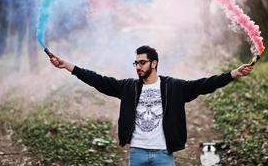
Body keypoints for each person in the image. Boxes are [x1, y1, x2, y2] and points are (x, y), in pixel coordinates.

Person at [49, 45, 253, 166]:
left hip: (164, 154)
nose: (138, 66)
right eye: (136, 63)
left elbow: (205, 85)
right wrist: (68, 65)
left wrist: (233, 73)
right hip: (137, 153)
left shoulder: (173, 87)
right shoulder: (128, 87)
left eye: (142, 62)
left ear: (154, 63)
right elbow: (97, 80)